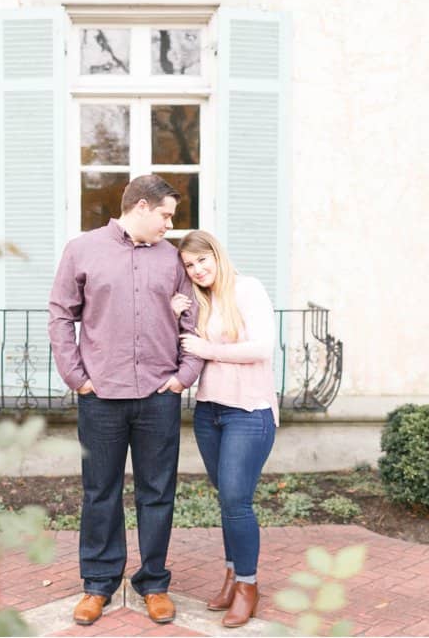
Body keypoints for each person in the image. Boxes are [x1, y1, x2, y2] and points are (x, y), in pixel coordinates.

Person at [48, 174, 204, 626]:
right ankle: (98, 585)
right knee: (101, 492)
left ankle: (154, 583)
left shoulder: (172, 260)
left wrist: (182, 378)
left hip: (159, 396)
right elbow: (60, 315)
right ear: (140, 207)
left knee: (158, 493)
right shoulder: (82, 250)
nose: (169, 225)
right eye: (165, 215)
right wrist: (77, 378)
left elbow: (191, 319)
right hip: (101, 396)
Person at [171, 229, 278, 629]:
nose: (197, 270)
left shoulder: (247, 289)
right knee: (227, 502)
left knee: (236, 501)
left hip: (248, 412)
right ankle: (233, 577)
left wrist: (209, 350)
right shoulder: (200, 301)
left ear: (216, 255)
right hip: (209, 413)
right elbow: (179, 350)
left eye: (202, 260)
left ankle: (248, 587)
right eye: (189, 265)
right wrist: (172, 314)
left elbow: (262, 348)